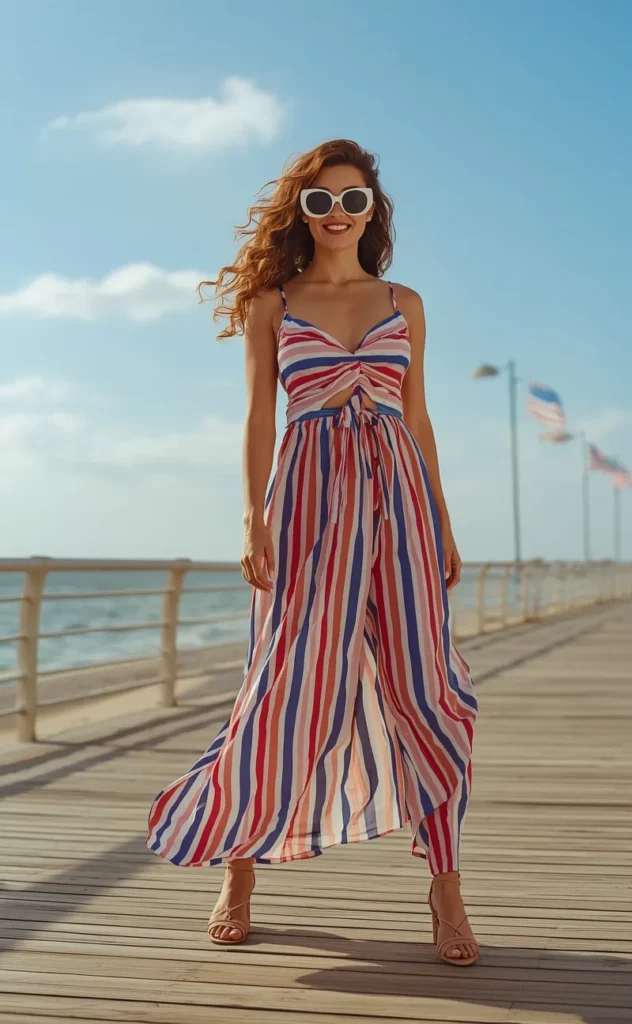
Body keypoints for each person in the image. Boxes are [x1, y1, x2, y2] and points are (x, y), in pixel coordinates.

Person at [146, 139, 479, 966]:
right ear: (302, 212)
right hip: (302, 503)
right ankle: (240, 866)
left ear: (373, 211)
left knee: (424, 686)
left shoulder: (405, 301)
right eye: (320, 203)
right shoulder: (274, 299)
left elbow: (420, 417)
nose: (336, 216)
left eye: (352, 201)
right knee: (282, 685)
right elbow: (259, 417)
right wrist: (251, 520)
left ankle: (446, 887)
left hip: (396, 497)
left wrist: (440, 518)